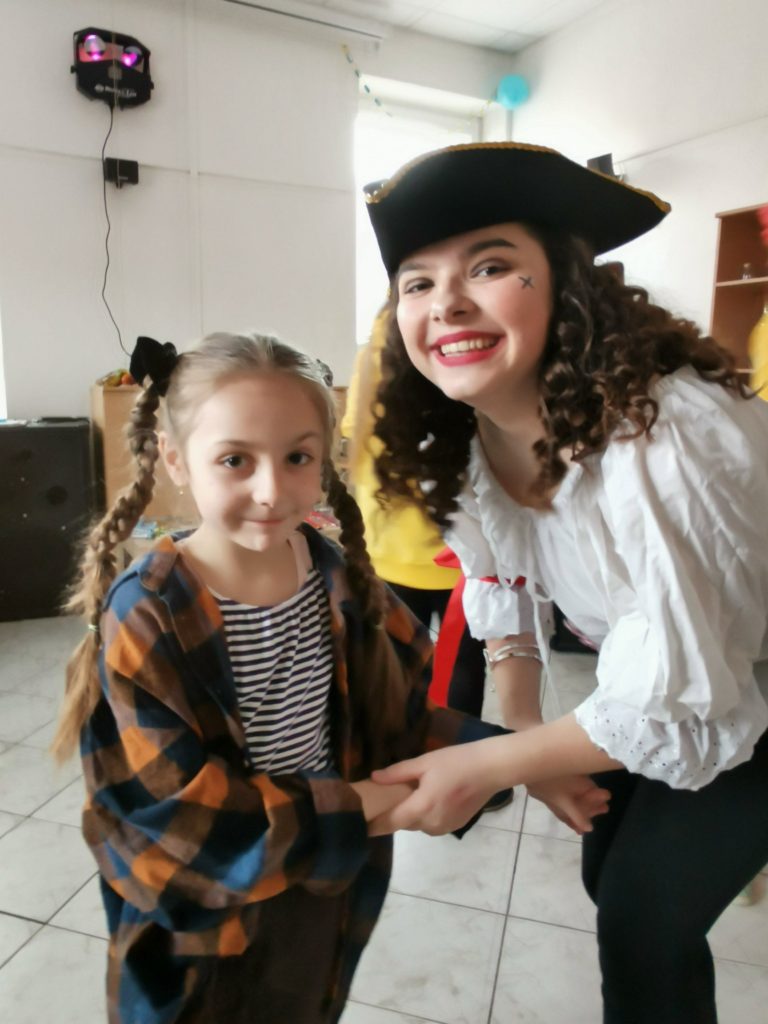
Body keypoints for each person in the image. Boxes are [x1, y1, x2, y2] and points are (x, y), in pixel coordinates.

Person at [362, 142, 768, 1024]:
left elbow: (693, 686)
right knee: (606, 869)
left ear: (566, 285)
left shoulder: (667, 436)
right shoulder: (472, 439)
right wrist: (520, 726)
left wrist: (491, 762)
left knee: (644, 919)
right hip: (679, 670)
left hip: (743, 676)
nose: (447, 303)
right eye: (418, 283)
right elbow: (502, 581)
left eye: (489, 266)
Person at [51, 331, 509, 1024]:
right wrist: (374, 805)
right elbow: (185, 824)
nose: (270, 491)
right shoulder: (148, 613)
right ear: (175, 459)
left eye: (297, 457)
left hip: (319, 887)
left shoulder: (335, 576)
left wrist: (512, 760)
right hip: (203, 926)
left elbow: (398, 715)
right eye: (235, 459)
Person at [340, 306, 489, 719]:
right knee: (463, 666)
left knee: (394, 672)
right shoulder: (467, 354)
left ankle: (400, 749)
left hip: (389, 552)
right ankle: (462, 750)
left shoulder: (374, 353)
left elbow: (354, 433)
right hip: (465, 556)